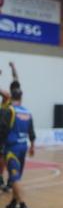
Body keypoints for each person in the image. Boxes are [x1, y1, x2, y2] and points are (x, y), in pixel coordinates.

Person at [0, 87, 35, 208]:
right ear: (21, 97)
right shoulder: (27, 112)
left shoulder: (10, 111)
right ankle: (14, 202)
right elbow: (31, 131)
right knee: (17, 176)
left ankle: (23, 205)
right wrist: (33, 146)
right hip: (23, 148)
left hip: (12, 149)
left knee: (14, 177)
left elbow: (2, 130)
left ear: (11, 97)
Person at [0, 62, 20, 192]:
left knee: (6, 157)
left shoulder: (9, 98)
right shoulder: (10, 98)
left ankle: (6, 180)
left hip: (7, 132)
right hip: (7, 131)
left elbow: (15, 81)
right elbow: (15, 80)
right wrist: (13, 68)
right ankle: (5, 180)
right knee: (4, 157)